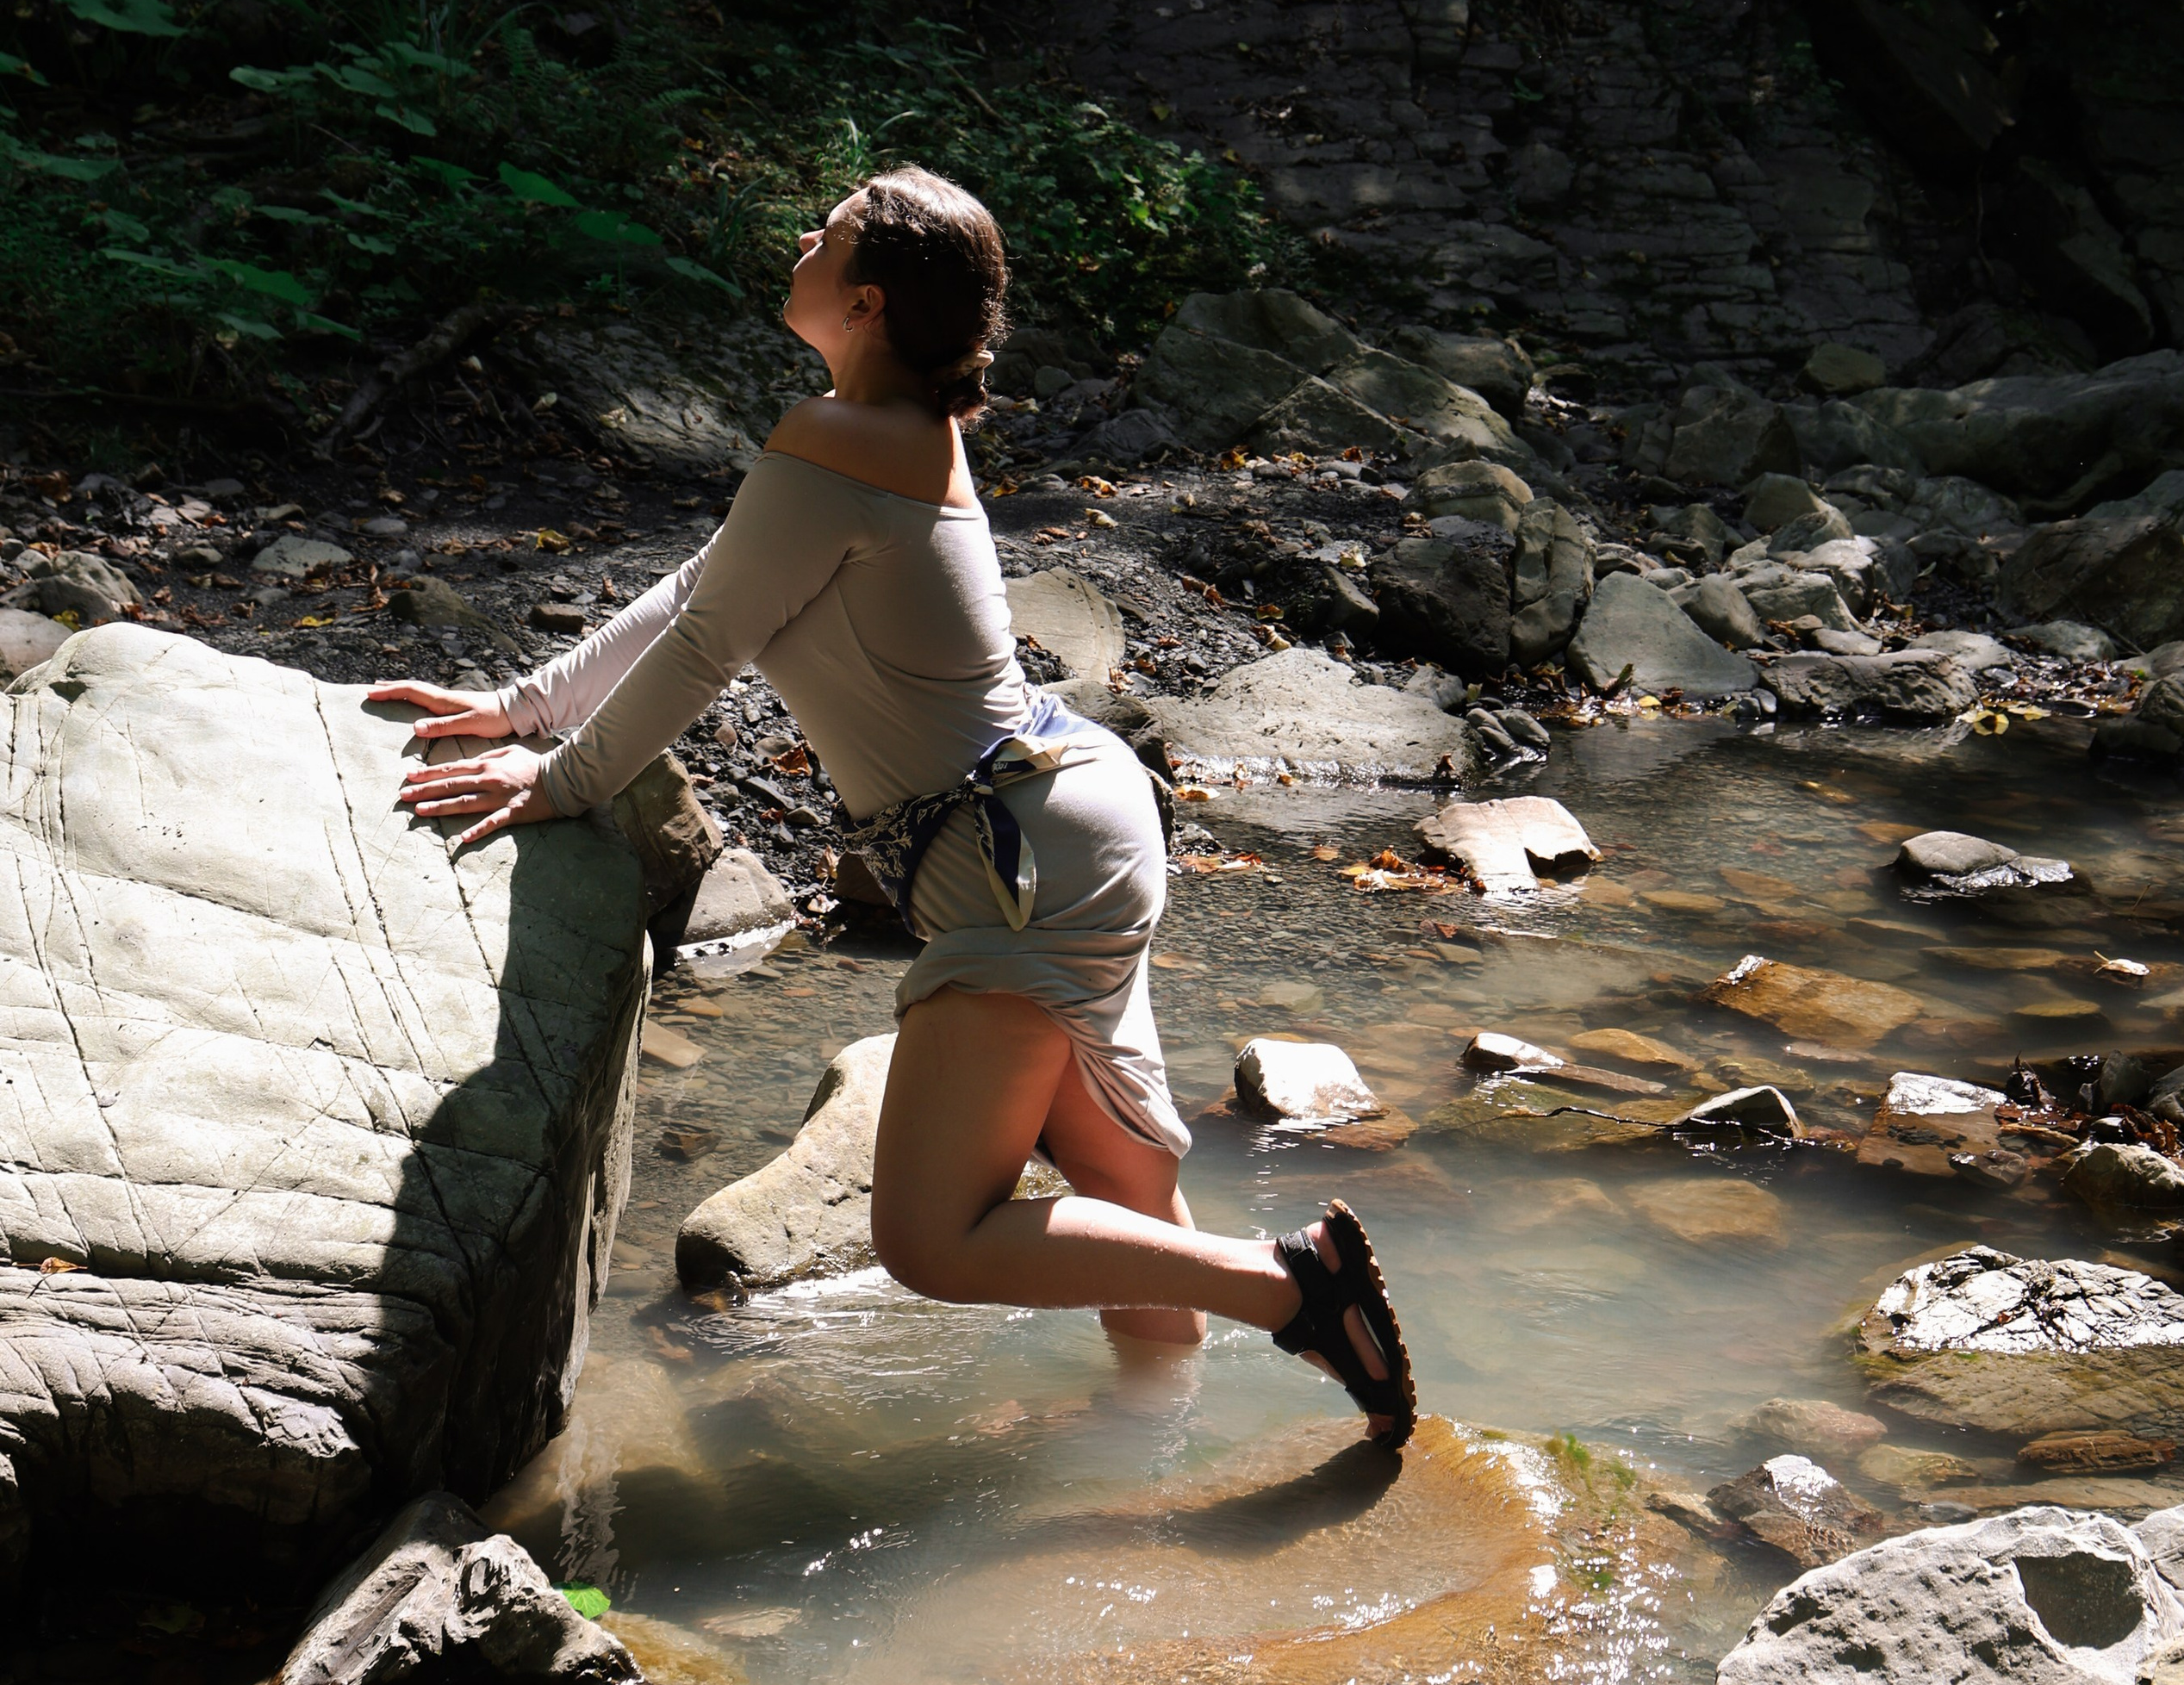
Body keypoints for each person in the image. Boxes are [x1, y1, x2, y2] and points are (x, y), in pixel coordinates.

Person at [366, 166, 1416, 1440]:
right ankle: (1156, 1445)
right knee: (1124, 1189)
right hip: (1072, 818)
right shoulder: (880, 432)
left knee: (932, 1242)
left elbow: (703, 648)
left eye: (831, 230)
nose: (804, 237)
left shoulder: (844, 439)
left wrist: (563, 776)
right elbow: (707, 592)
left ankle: (1290, 1286)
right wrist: (530, 707)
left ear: (862, 299)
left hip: (1017, 859)